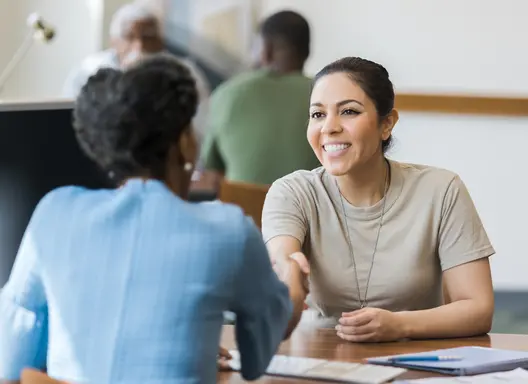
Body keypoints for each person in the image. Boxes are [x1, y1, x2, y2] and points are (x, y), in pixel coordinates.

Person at [0, 55, 303, 383]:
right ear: (185, 144)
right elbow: (260, 351)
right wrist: (293, 277)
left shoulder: (54, 212)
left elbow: (12, 359)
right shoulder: (228, 230)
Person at [263, 57, 495, 343]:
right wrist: (289, 274)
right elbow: (284, 261)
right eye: (318, 114)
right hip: (323, 356)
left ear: (387, 124)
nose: (329, 127)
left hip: (416, 359)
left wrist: (399, 325)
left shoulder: (442, 189)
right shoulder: (292, 191)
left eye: (348, 111)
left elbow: (478, 308)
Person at [196, 10, 320, 191]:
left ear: (266, 50)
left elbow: (212, 172)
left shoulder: (227, 93)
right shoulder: (327, 95)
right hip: (308, 215)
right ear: (307, 52)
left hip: (244, 213)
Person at [62, 3, 211, 144]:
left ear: (161, 41)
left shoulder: (185, 74)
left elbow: (202, 127)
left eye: (148, 37)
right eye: (129, 37)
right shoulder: (88, 71)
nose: (140, 45)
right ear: (114, 41)